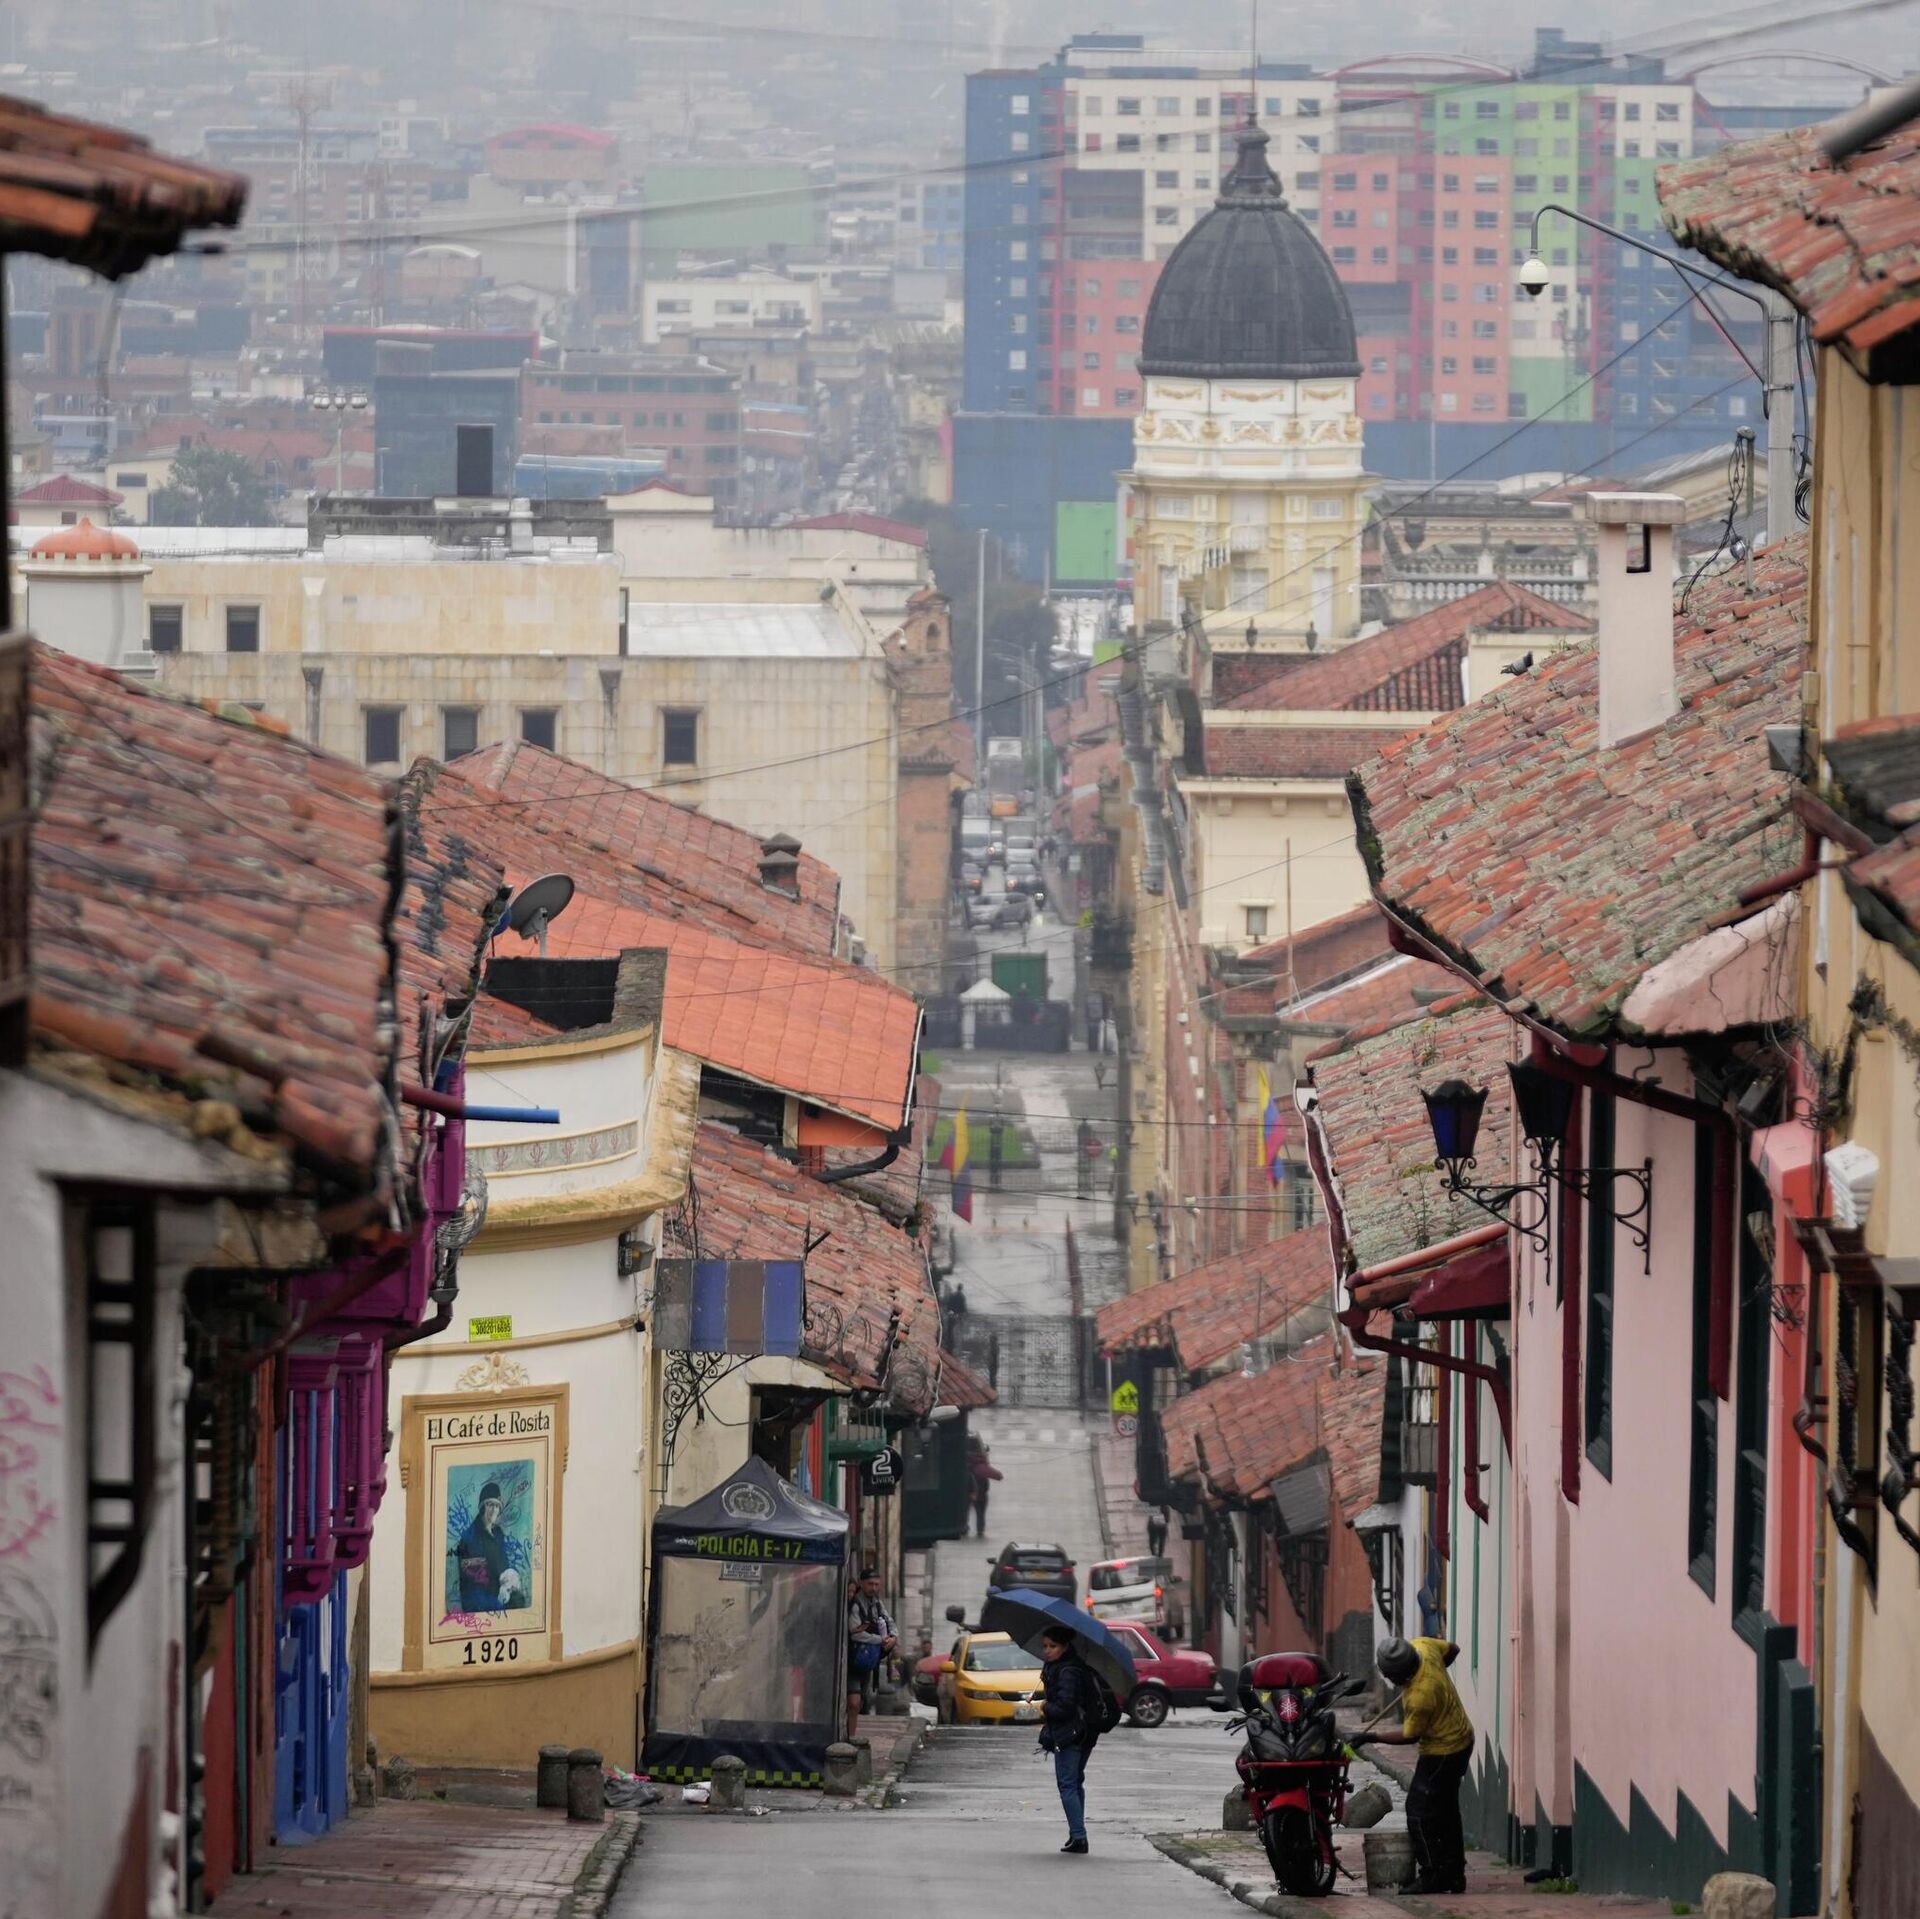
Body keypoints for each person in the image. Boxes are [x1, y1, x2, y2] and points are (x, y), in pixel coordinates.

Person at [1354, 1635, 1473, 1896]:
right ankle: (1454, 1875)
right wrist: (1439, 1670)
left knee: (1419, 1812)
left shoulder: (1421, 1694)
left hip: (1444, 1751)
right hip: (1462, 1738)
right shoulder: (1425, 1647)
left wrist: (1371, 1737)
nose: (1390, 1681)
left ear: (1401, 1674)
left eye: (1391, 1677)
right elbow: (1453, 1649)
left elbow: (1410, 1736)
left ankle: (1432, 1875)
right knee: (1446, 1810)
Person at [1037, 1627, 1103, 1854]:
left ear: (1064, 1647)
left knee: (1067, 1784)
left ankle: (1079, 1837)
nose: (1047, 1651)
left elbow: (1064, 1707)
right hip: (1082, 1733)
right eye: (1045, 1646)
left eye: (1052, 1646)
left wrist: (1046, 1706)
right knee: (1074, 1783)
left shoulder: (1067, 1671)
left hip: (1071, 1734)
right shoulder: (1067, 1667)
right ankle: (1077, 1834)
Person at [455, 1480, 524, 1612]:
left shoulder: (498, 1533)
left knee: (519, 1600)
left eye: (497, 1506)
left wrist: (510, 1581)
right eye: (490, 1505)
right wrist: (498, 1600)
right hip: (481, 1605)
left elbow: (504, 1566)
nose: (494, 1510)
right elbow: (473, 1587)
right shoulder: (470, 1538)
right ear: (482, 1507)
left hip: (501, 1596)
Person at [846, 1563, 898, 1738]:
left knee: (860, 1701)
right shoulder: (855, 1605)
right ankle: (849, 1738)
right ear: (862, 1583)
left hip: (868, 1661)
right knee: (854, 1701)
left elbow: (889, 1621)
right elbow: (855, 1633)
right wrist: (879, 1640)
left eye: (877, 1584)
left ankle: (851, 1736)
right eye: (870, 1584)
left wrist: (893, 1637)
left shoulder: (877, 1603)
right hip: (853, 1660)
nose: (874, 1588)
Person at [966, 1440, 1003, 1538]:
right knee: (980, 1514)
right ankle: (980, 1531)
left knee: (965, 1512)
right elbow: (998, 1476)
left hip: (966, 1493)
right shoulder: (980, 1465)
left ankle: (964, 1528)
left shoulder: (965, 1462)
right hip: (980, 1494)